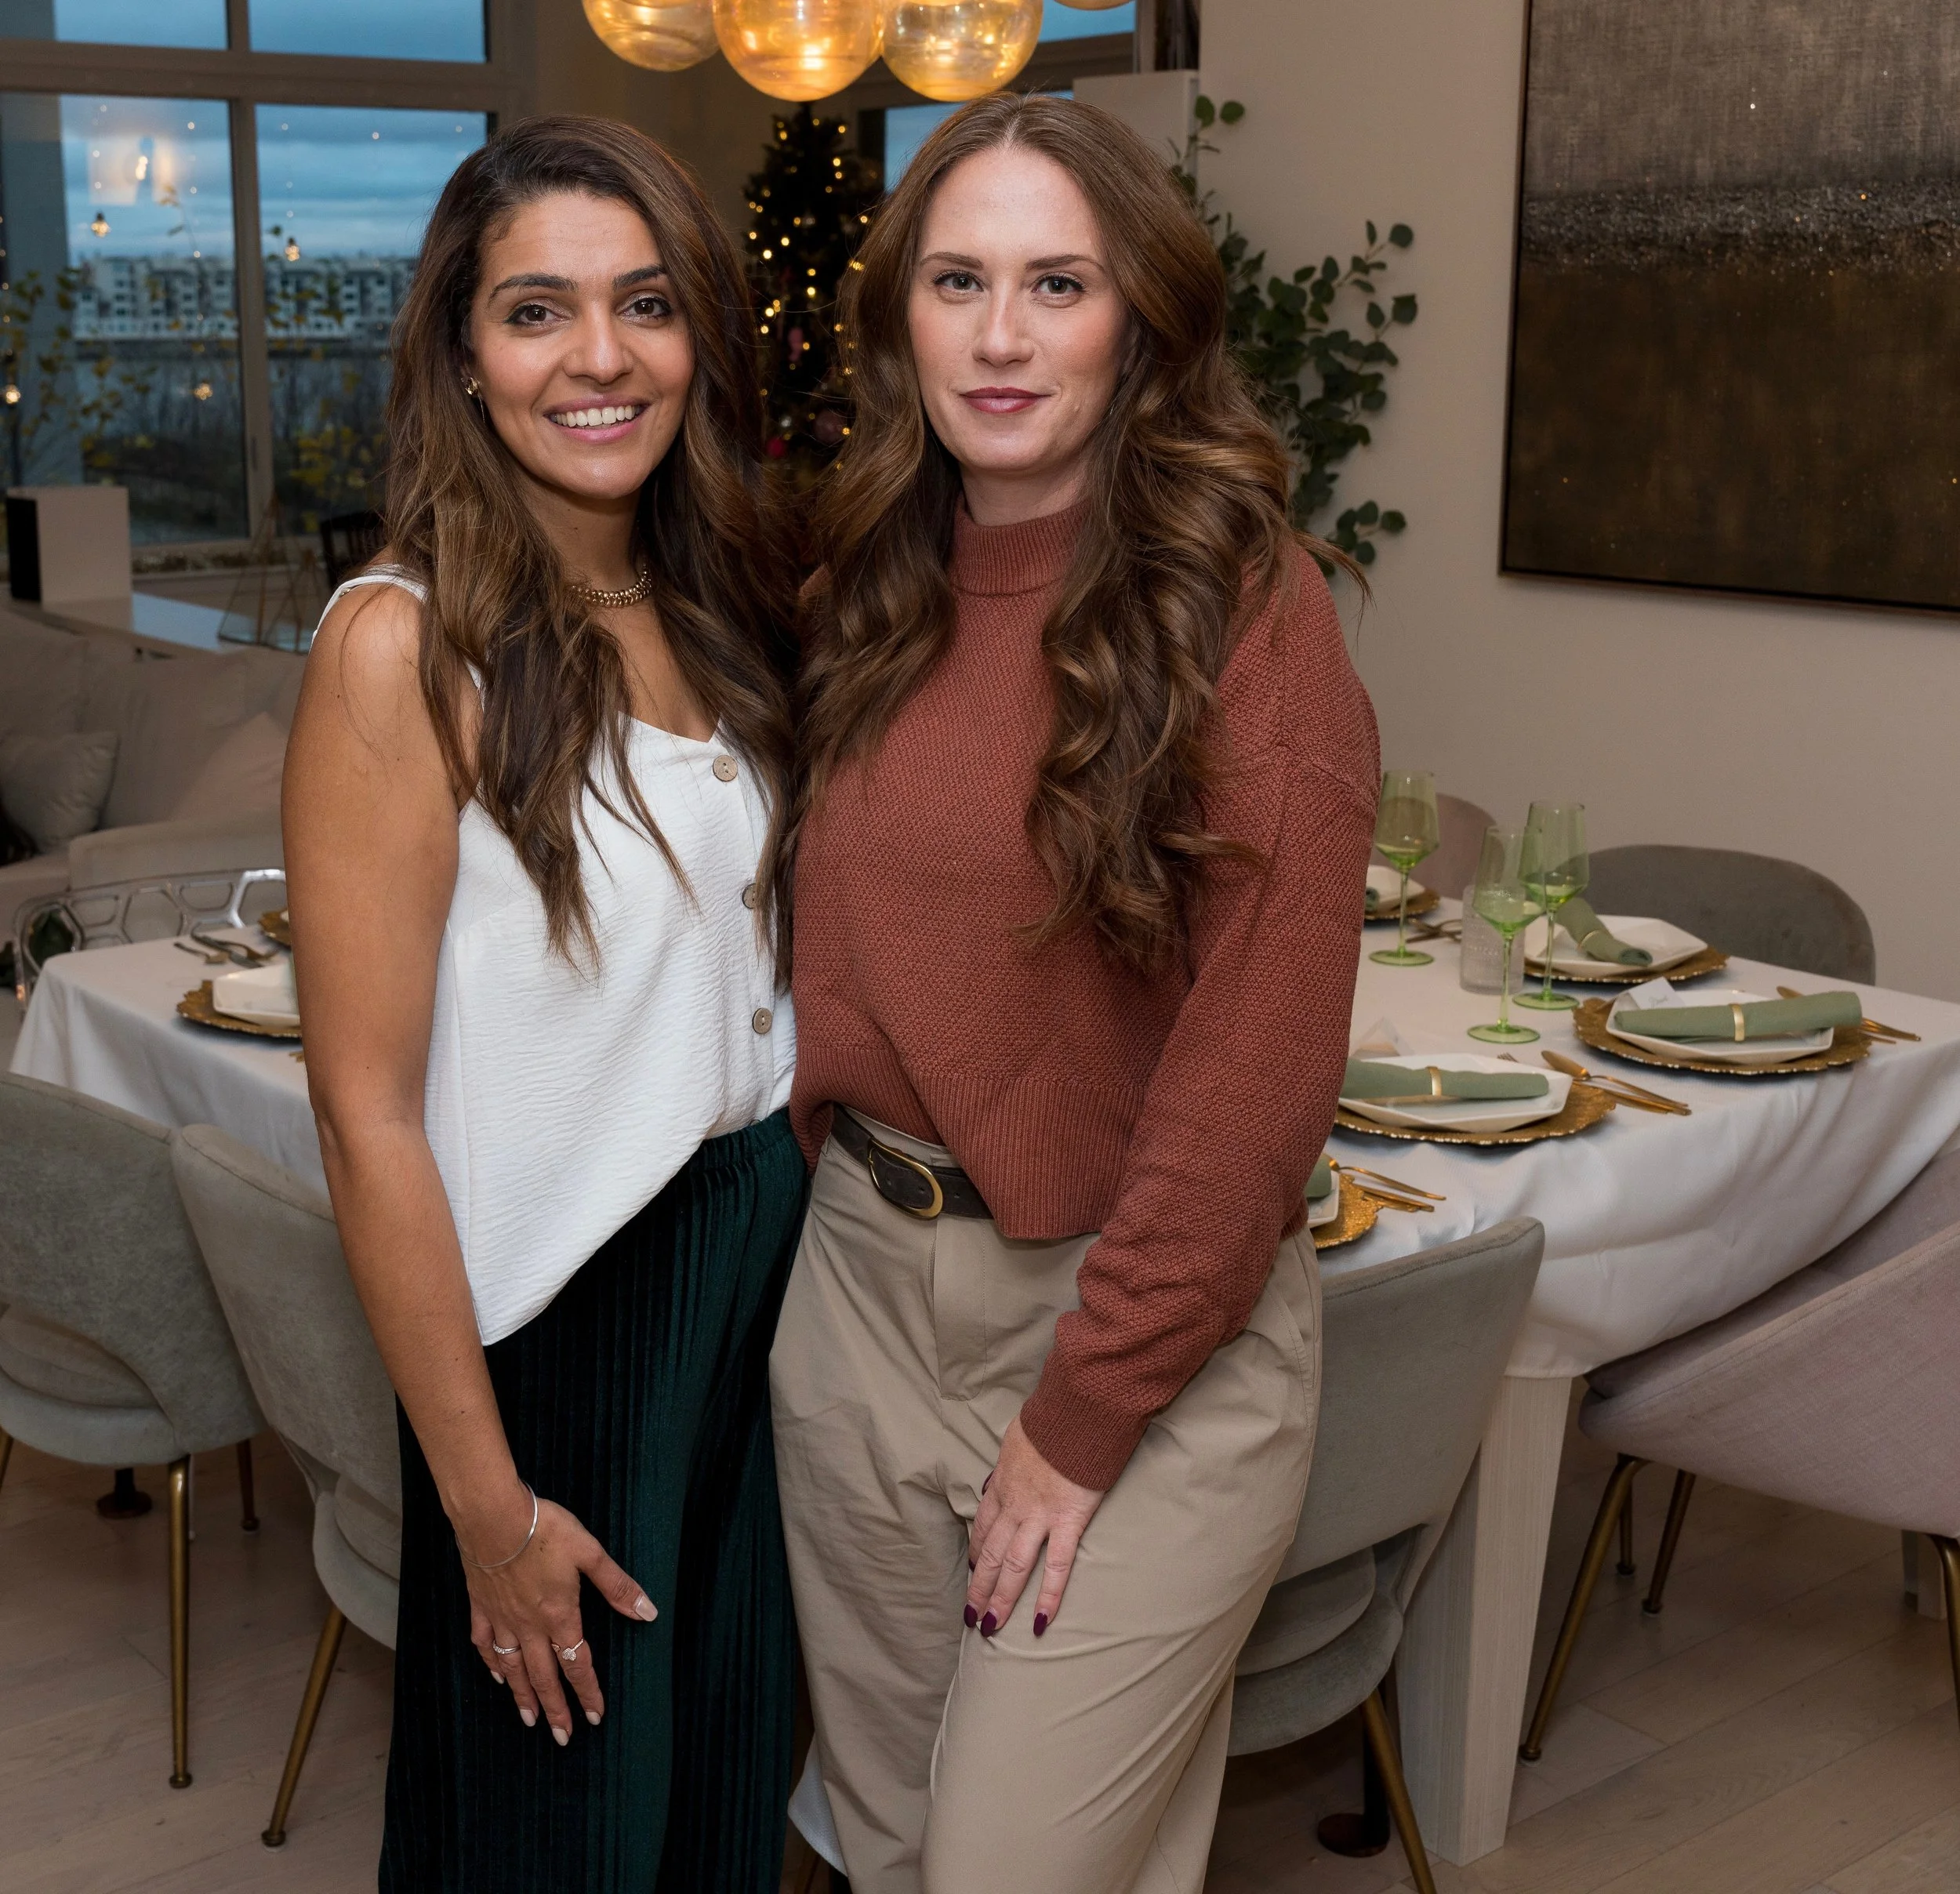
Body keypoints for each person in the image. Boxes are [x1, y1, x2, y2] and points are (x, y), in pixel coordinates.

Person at [771, 94, 1380, 1893]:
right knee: (883, 1850)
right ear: (900, 318)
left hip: (1131, 1337)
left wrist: (1083, 1408)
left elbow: (1252, 1077)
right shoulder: (865, 581)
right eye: (957, 280)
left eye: (1060, 282)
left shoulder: (1243, 607)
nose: (1002, 333)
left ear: (1142, 321)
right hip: (862, 1295)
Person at [283, 117, 803, 1892]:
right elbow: (365, 1115)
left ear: (695, 334)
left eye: (643, 302)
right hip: (575, 1329)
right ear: (460, 356)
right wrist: (487, 1510)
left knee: (720, 1805)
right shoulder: (397, 644)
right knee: (558, 1838)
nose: (598, 355)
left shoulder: (714, 602)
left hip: (762, 1279)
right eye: (535, 310)